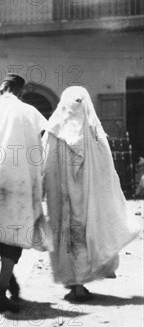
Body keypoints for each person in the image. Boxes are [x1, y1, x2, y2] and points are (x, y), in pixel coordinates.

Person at [43, 86, 140, 301]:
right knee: (81, 237)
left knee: (70, 238)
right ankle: (78, 283)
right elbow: (107, 171)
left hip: (66, 200)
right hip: (85, 201)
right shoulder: (95, 133)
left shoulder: (54, 132)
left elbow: (46, 166)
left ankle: (75, 283)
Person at [0, 73, 51, 313]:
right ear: (21, 91)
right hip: (20, 184)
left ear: (2, 89)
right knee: (14, 239)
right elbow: (41, 148)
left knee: (0, 234)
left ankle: (8, 279)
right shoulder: (29, 113)